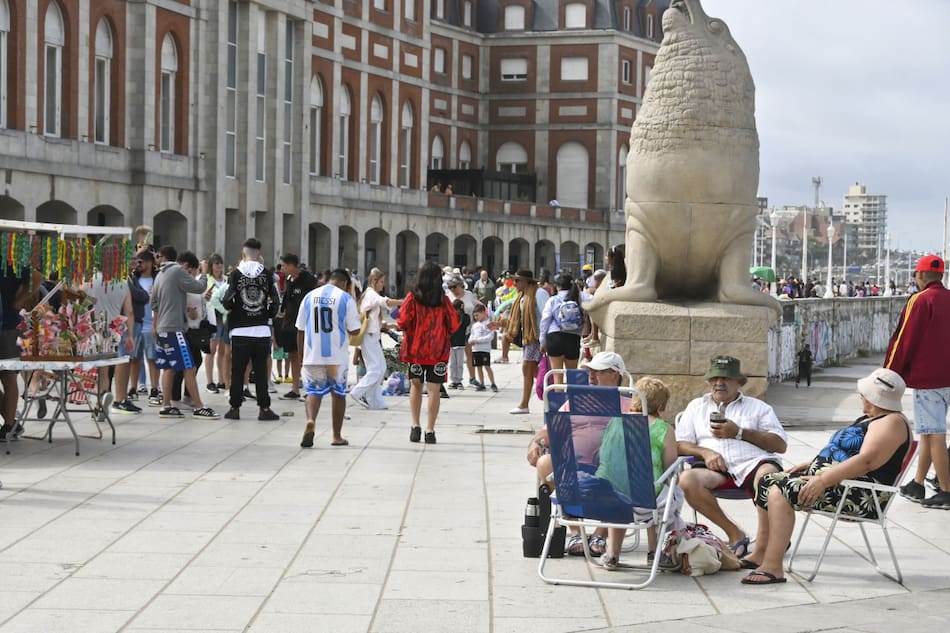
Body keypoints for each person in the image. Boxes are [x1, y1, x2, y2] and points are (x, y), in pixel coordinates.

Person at [739, 368, 912, 585]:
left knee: (781, 491)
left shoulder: (892, 422)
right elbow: (849, 454)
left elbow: (867, 461)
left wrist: (822, 480)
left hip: (859, 493)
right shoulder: (875, 418)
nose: (861, 397)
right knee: (766, 482)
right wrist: (814, 464)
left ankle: (773, 566)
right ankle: (761, 552)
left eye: (863, 394)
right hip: (840, 483)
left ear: (872, 397)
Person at [675, 355, 788, 558]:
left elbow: (780, 445)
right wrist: (705, 453)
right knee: (687, 480)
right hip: (715, 470)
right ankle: (735, 534)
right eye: (715, 378)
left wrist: (740, 433)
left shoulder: (758, 407)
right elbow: (680, 444)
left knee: (768, 476)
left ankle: (767, 540)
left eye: (726, 378)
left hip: (753, 464)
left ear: (739, 382)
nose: (719, 383)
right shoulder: (696, 407)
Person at [526, 351, 630, 557]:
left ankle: (601, 534)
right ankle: (576, 533)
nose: (591, 377)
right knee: (545, 462)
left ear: (615, 375)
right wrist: (535, 443)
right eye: (590, 371)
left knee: (624, 464)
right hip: (572, 465)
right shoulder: (576, 401)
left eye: (598, 372)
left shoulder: (629, 405)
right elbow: (549, 431)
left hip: (611, 468)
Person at [598, 376, 685, 569]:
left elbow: (605, 457)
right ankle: (654, 551)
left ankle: (612, 553)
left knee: (622, 485)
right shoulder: (663, 429)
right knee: (663, 488)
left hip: (611, 497)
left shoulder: (615, 422)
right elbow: (669, 469)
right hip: (647, 502)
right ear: (661, 406)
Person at [887, 255, 950, 509]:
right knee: (927, 432)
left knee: (935, 433)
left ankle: (946, 490)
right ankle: (918, 483)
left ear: (921, 275)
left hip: (928, 380)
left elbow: (904, 340)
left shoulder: (921, 300)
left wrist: (889, 373)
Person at [150, 246, 219, 419]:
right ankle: (199, 407)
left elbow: (154, 303)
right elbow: (199, 287)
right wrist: (204, 272)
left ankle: (167, 406)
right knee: (190, 367)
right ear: (187, 265)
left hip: (163, 328)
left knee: (169, 368)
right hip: (174, 328)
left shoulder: (159, 275)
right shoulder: (177, 271)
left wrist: (156, 325)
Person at [296, 269, 362, 448]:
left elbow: (300, 329)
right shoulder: (346, 299)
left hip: (312, 354)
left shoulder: (309, 297)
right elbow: (355, 330)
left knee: (313, 391)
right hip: (336, 357)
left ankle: (310, 420)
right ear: (345, 283)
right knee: (338, 394)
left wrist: (301, 355)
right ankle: (336, 436)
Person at [397, 261, 460, 444]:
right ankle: (430, 430)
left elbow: (402, 322)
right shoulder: (443, 300)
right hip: (438, 352)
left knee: (416, 386)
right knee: (434, 389)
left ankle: (415, 426)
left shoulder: (412, 298)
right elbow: (454, 324)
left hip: (416, 351)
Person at [221, 238, 280, 421]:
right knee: (261, 371)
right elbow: (276, 301)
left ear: (243, 254)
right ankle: (264, 408)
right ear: (259, 254)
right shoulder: (268, 275)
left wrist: (233, 309)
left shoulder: (236, 274)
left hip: (240, 330)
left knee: (238, 371)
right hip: (261, 331)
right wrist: (267, 314)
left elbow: (227, 299)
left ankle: (234, 408)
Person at [348, 267, 403, 409]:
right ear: (374, 281)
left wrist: (386, 325)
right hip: (368, 337)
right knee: (375, 369)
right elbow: (387, 302)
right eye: (381, 282)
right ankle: (358, 392)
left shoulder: (370, 294)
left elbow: (372, 316)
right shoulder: (371, 294)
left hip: (373, 336)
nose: (383, 285)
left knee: (381, 368)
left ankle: (374, 400)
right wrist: (403, 302)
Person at [504, 269, 550, 415]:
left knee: (528, 368)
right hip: (529, 338)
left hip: (536, 338)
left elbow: (546, 316)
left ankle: (525, 404)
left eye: (517, 280)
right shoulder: (522, 296)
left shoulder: (539, 293)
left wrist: (544, 339)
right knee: (534, 371)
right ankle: (549, 397)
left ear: (526, 281)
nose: (514, 283)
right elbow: (517, 319)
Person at [275, 254, 318, 400]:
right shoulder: (289, 280)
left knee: (306, 357)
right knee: (293, 355)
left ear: (291, 265)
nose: (282, 268)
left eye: (284, 265)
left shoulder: (308, 280)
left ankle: (310, 389)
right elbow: (287, 298)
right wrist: (282, 311)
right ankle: (295, 389)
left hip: (306, 325)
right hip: (290, 323)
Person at [539, 273, 584, 379]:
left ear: (558, 286)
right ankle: (571, 390)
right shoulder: (579, 298)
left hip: (554, 337)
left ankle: (558, 389)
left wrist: (542, 341)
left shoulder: (553, 300)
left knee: (557, 375)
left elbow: (545, 321)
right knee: (572, 375)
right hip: (573, 337)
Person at [446, 275, 480, 386]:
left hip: (469, 329)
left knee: (469, 354)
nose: (452, 289)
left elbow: (476, 306)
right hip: (454, 331)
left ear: (461, 286)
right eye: (450, 287)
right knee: (454, 358)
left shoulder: (469, 295)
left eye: (454, 287)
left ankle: (472, 377)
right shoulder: (448, 296)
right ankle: (454, 379)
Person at [203, 253, 228, 394]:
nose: (219, 266)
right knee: (211, 349)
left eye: (221, 263)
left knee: (223, 350)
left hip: (225, 316)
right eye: (216, 263)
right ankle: (209, 381)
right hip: (213, 316)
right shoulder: (207, 279)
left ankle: (222, 379)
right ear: (211, 265)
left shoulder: (227, 279)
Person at [467, 304, 498, 392]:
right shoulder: (475, 325)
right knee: (478, 367)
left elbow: (490, 337)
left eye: (477, 315)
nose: (476, 317)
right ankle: (482, 383)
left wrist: (477, 340)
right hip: (476, 349)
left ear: (483, 313)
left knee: (487, 366)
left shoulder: (489, 324)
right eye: (475, 316)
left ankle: (493, 383)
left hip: (485, 349)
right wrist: (470, 341)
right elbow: (472, 335)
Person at [447, 299, 470, 390]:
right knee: (452, 364)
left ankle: (459, 380)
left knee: (459, 364)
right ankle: (453, 380)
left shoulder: (465, 317)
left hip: (460, 343)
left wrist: (462, 312)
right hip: (452, 343)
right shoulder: (451, 317)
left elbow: (465, 323)